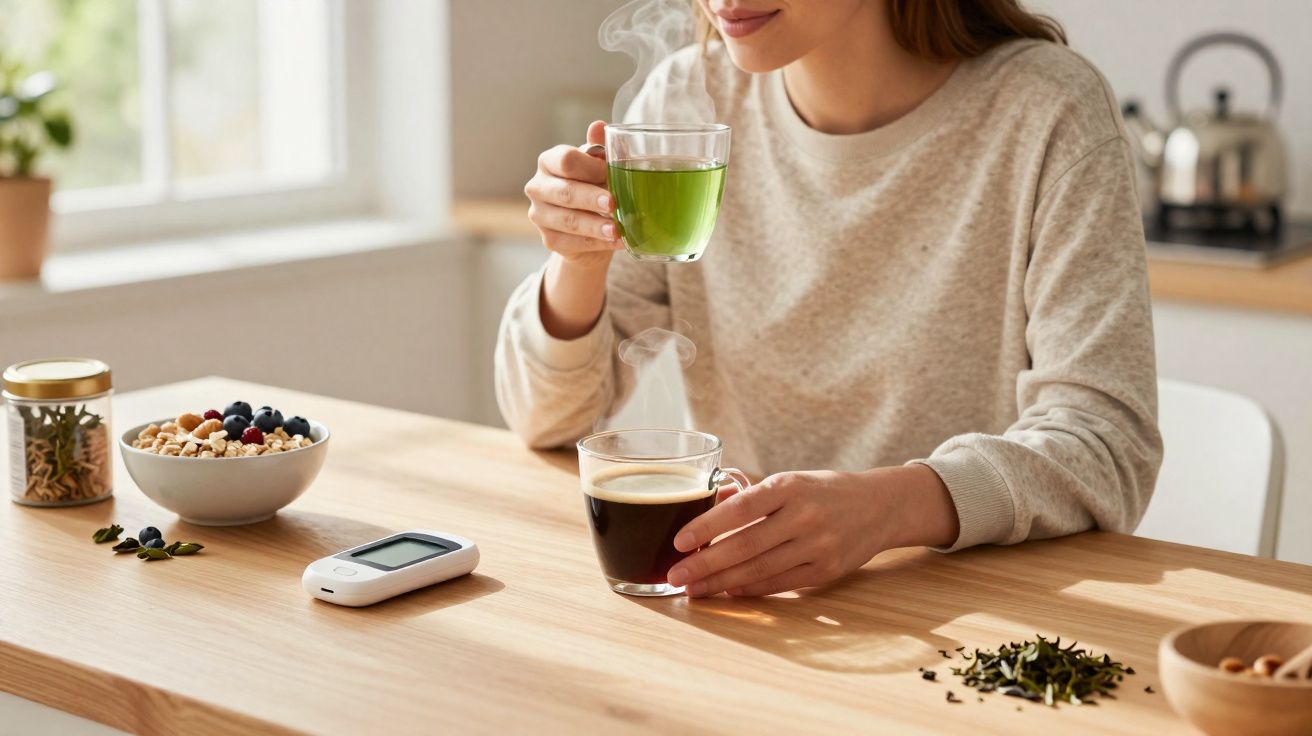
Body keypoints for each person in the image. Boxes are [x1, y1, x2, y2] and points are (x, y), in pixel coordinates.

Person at [496, 0, 1163, 598]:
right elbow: (547, 421)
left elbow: (1106, 446)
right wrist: (576, 264)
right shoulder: (685, 103)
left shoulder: (1047, 110)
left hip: (964, 616)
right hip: (746, 608)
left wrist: (890, 509)